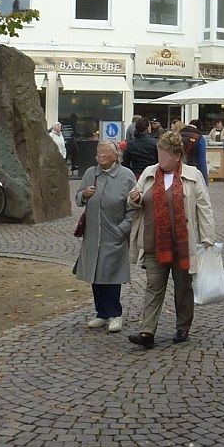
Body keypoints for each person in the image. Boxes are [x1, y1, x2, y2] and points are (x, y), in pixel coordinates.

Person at [126, 131, 216, 349]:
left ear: (177, 155)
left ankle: (183, 326)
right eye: (159, 153)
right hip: (154, 241)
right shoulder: (149, 172)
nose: (160, 159)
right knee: (153, 286)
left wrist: (207, 238)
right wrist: (134, 198)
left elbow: (204, 208)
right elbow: (133, 199)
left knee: (183, 287)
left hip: (183, 243)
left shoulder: (193, 175)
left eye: (164, 155)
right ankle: (147, 331)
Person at [74, 140, 136, 333]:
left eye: (105, 153)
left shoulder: (126, 176)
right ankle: (101, 313)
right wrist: (84, 194)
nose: (101, 157)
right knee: (95, 273)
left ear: (116, 156)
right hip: (93, 233)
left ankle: (115, 314)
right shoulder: (90, 174)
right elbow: (77, 199)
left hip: (114, 233)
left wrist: (123, 229)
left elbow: (134, 207)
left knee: (111, 274)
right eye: (99, 153)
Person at [180, 119, 208, 185]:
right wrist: (204, 179)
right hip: (192, 170)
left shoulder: (177, 135)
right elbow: (202, 161)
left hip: (178, 169)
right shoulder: (199, 138)